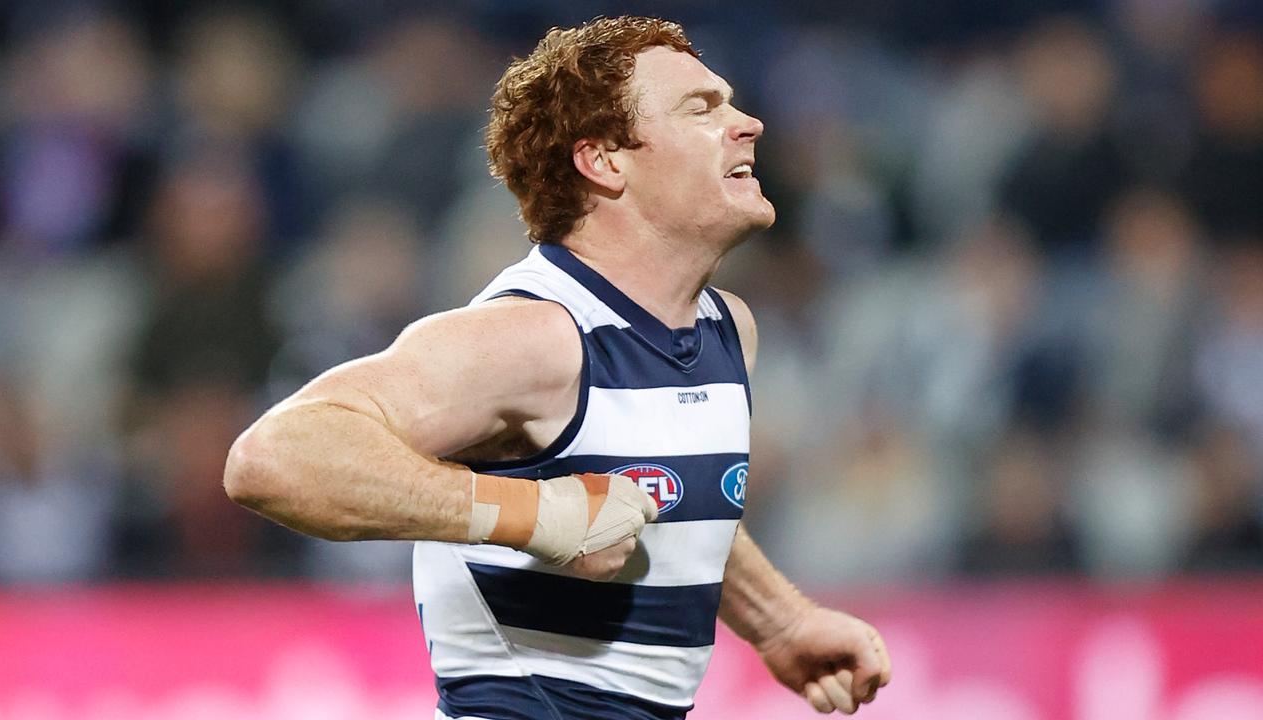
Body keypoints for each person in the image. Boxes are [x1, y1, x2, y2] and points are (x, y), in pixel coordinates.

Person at [224, 15, 891, 719]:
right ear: (604, 160)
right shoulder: (536, 335)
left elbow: (660, 499)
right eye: (702, 108)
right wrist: (536, 512)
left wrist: (779, 621)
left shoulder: (728, 329)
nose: (748, 122)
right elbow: (275, 458)